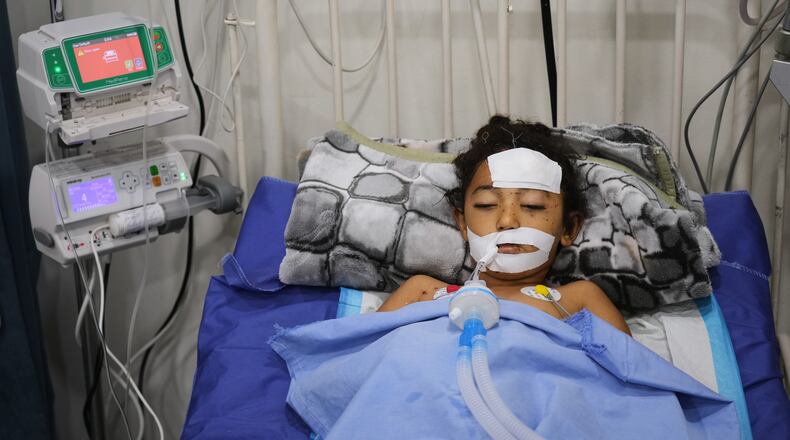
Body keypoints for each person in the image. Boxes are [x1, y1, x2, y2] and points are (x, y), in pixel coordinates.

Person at [378, 115, 630, 335]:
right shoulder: (421, 292)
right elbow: (358, 354)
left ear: (568, 228)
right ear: (463, 224)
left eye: (532, 205)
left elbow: (632, 374)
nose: (507, 221)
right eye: (487, 205)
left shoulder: (580, 299)